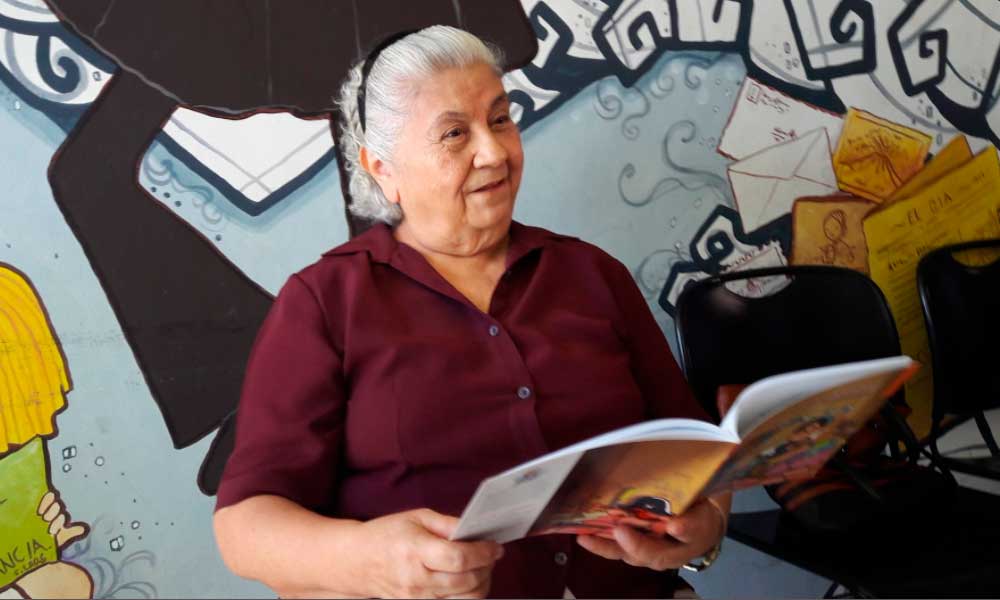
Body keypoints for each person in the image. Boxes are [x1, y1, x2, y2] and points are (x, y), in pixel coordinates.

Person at [212, 25, 730, 599]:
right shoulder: (326, 302)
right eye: (455, 133)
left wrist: (705, 526)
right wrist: (372, 559)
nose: (495, 152)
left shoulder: (592, 274)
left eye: (501, 119)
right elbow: (244, 527)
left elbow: (694, 448)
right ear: (382, 167)